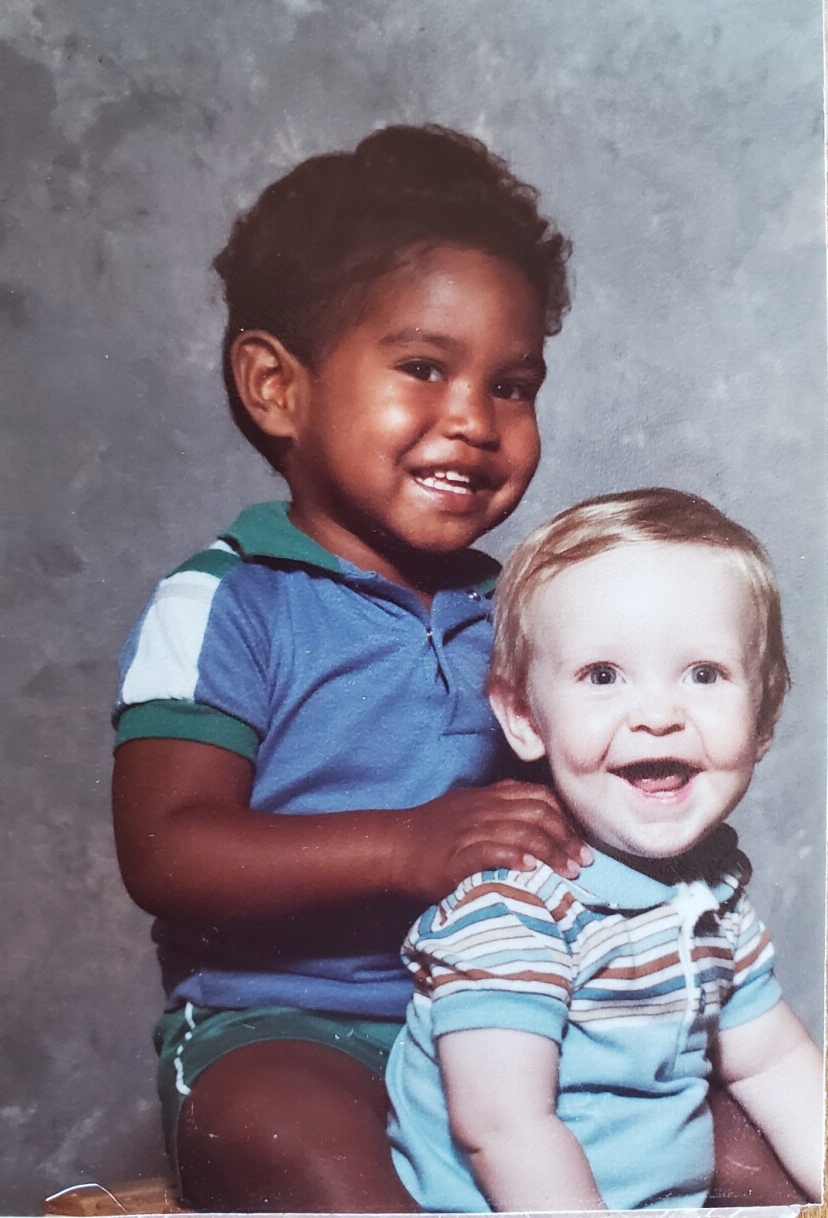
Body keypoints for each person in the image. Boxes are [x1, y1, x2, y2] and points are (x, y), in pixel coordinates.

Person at [111, 123, 588, 1212]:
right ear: (277, 387)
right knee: (317, 1150)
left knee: (734, 1136)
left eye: (513, 384)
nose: (473, 420)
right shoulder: (228, 601)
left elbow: (571, 806)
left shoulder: (527, 610)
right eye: (424, 367)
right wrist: (399, 844)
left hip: (503, 1011)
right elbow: (166, 849)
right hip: (274, 1026)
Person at [386, 487, 823, 1212]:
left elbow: (772, 1061)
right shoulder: (516, 910)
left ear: (766, 717)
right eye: (602, 676)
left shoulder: (711, 895)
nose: (657, 715)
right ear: (525, 717)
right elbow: (503, 1126)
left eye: (705, 674)